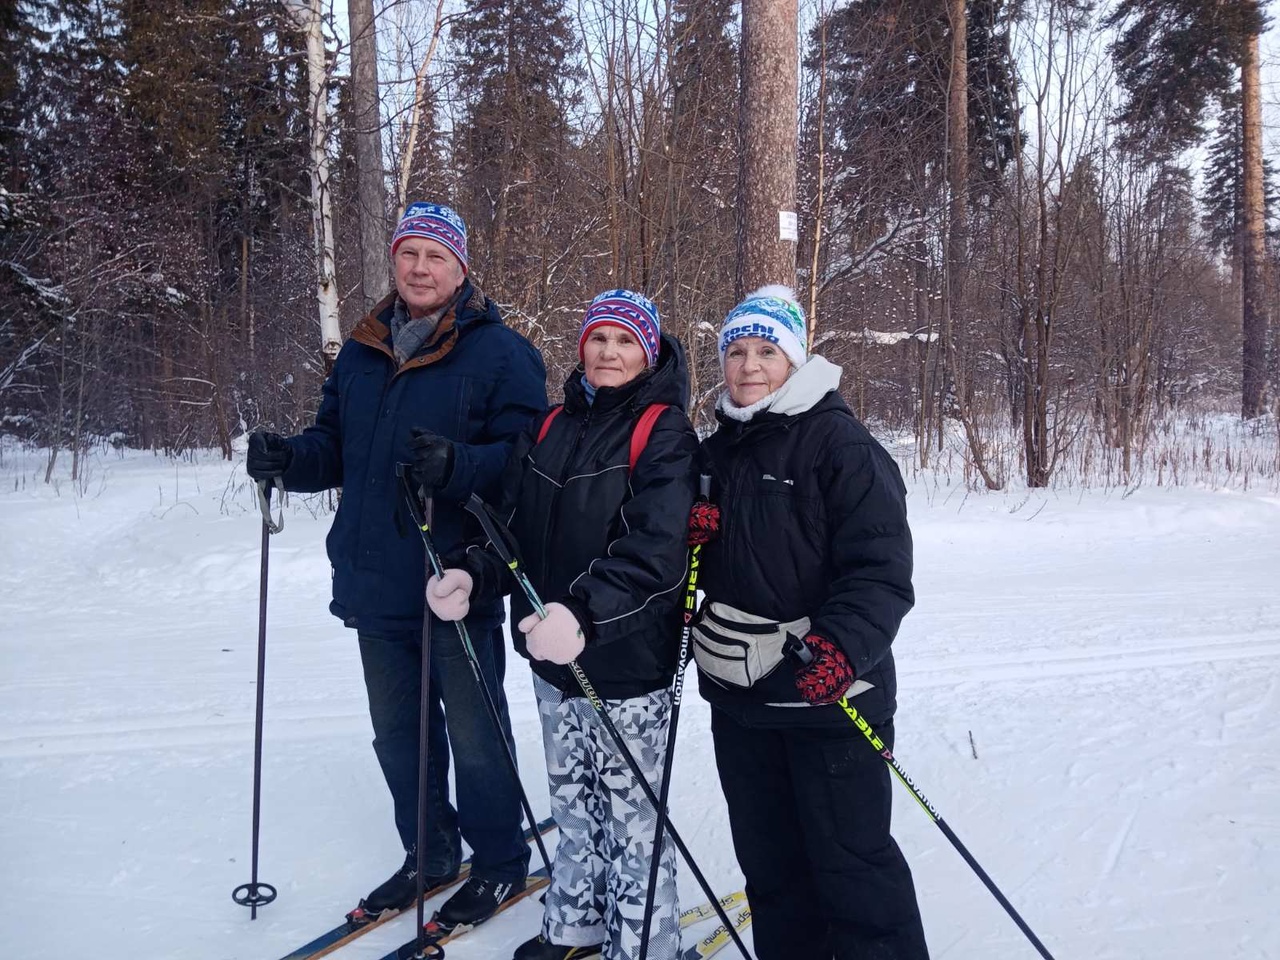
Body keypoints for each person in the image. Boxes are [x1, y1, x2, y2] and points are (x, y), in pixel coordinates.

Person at [245, 203, 547, 930]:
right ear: (395, 261)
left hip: (455, 576)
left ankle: (500, 861)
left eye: (436, 256)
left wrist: (459, 464)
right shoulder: (362, 348)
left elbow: (526, 463)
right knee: (398, 734)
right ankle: (430, 851)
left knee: (475, 734)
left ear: (461, 269)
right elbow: (334, 447)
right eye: (409, 253)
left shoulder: (503, 353)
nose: (420, 268)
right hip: (375, 577)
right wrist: (288, 459)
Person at [428, 290, 698, 960]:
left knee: (634, 821)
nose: (609, 352)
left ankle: (645, 943)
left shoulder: (663, 431)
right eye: (599, 337)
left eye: (626, 341)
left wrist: (584, 613)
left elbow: (656, 554)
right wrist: (472, 573)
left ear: (648, 353)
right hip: (552, 660)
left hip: (627, 663)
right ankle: (577, 919)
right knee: (574, 804)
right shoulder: (550, 425)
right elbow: (509, 528)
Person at [685, 286, 930, 960]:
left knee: (853, 871)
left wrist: (841, 648)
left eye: (766, 351)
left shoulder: (841, 445)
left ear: (795, 360)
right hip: (742, 704)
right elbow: (705, 575)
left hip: (830, 697)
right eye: (736, 351)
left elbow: (880, 572)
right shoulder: (715, 453)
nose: (749, 366)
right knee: (773, 873)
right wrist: (690, 542)